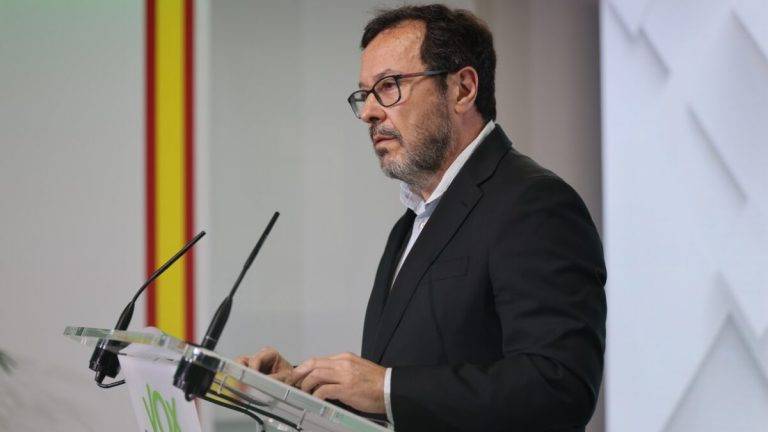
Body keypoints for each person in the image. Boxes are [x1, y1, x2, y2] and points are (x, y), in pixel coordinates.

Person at [237, 5, 606, 431]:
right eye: (365, 94)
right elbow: (405, 383)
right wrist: (306, 389)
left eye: (389, 86)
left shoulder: (535, 204)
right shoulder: (411, 223)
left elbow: (558, 387)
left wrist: (386, 387)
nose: (371, 112)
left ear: (463, 89)